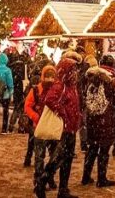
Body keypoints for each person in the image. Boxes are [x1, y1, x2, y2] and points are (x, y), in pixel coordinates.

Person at [41, 56, 83, 198]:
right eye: (73, 70)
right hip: (63, 129)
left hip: (70, 128)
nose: (75, 73)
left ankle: (63, 189)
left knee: (66, 159)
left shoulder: (71, 85)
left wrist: (77, 116)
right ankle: (41, 182)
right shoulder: (61, 85)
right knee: (59, 159)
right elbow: (50, 100)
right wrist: (63, 114)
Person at [81, 54, 115, 187]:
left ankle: (86, 176)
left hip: (92, 119)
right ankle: (101, 178)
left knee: (92, 148)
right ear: (112, 65)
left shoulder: (91, 78)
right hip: (107, 119)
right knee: (104, 150)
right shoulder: (112, 81)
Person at [26, 65, 58, 183]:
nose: (50, 79)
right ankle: (39, 179)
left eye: (52, 77)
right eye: (47, 76)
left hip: (53, 128)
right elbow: (28, 106)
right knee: (39, 156)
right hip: (39, 127)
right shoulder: (36, 90)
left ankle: (49, 177)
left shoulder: (57, 90)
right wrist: (36, 117)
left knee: (54, 156)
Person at [8, 48, 30, 132]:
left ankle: (11, 125)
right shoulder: (25, 67)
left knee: (16, 108)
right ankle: (21, 127)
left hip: (15, 90)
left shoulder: (13, 66)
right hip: (23, 91)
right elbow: (27, 79)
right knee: (22, 109)